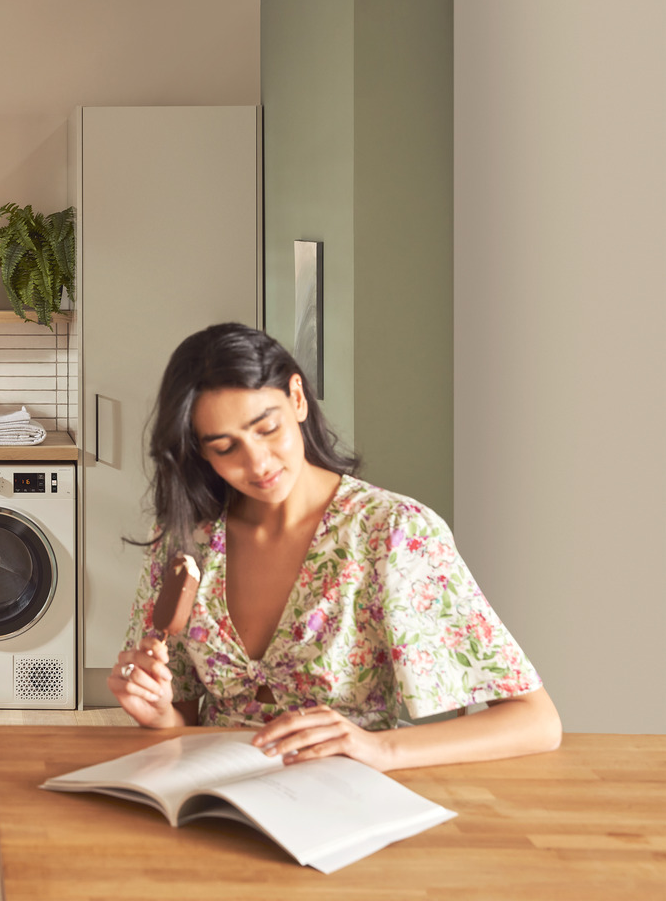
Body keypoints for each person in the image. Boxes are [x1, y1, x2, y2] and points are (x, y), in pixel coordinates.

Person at [109, 323, 561, 771]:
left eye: (267, 429)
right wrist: (158, 713)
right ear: (201, 452)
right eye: (227, 448)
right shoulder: (185, 540)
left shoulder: (393, 533)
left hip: (347, 793)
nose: (258, 463)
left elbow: (536, 722)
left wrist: (379, 748)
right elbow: (181, 717)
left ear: (298, 399)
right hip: (214, 788)